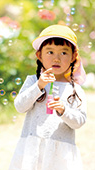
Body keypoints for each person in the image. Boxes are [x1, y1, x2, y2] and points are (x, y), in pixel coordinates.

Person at [9, 24, 87, 170]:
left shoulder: (75, 89)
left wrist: (64, 111)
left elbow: (80, 121)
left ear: (73, 57)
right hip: (32, 150)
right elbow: (20, 106)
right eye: (50, 52)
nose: (56, 58)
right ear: (39, 55)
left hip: (61, 156)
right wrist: (39, 86)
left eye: (64, 53)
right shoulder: (33, 81)